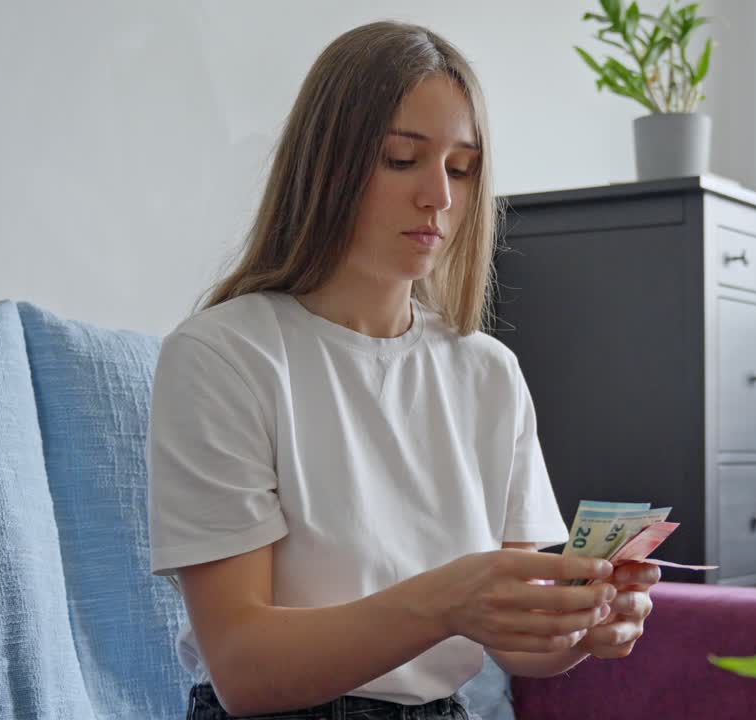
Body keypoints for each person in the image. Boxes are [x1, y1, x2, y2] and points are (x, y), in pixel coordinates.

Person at [145, 20, 661, 720]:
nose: (440, 198)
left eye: (460, 168)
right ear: (326, 165)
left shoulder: (489, 374)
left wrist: (583, 625)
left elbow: (518, 644)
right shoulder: (223, 357)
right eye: (401, 159)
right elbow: (245, 668)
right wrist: (450, 598)